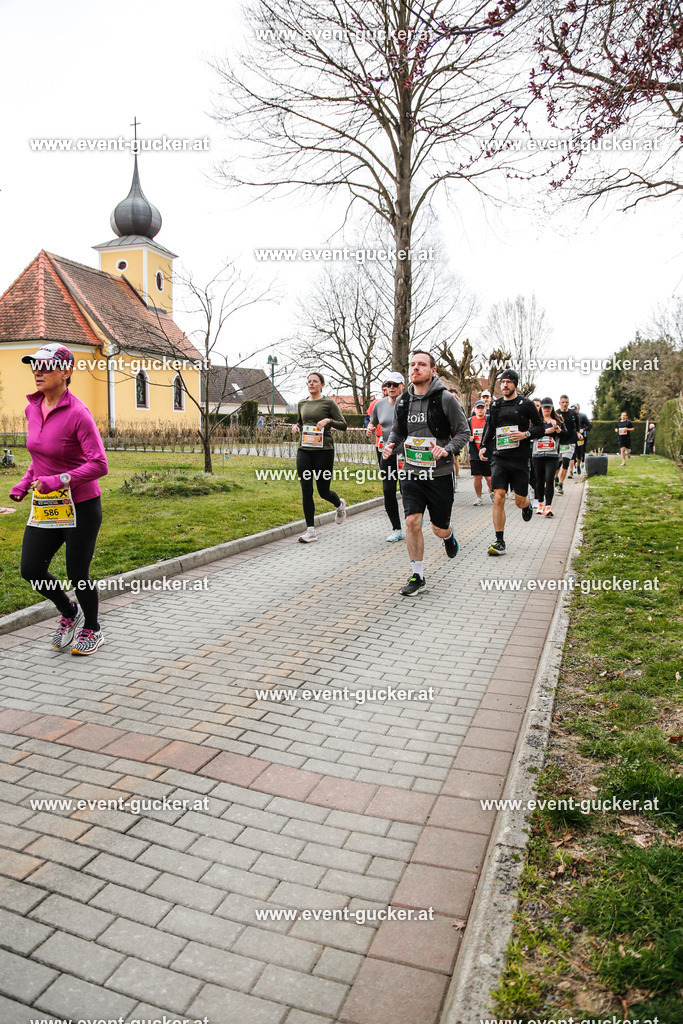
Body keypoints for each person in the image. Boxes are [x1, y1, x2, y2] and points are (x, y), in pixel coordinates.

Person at [9, 344, 109, 655]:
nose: (37, 371)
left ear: (66, 372)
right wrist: (25, 483)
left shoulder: (78, 413)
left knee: (78, 572)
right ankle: (69, 611)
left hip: (81, 506)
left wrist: (58, 480)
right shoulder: (32, 408)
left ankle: (92, 628)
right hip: (48, 507)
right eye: (34, 366)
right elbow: (39, 455)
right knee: (31, 569)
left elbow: (99, 464)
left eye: (46, 366)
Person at [383, 351, 469, 595]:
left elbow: (464, 432)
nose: (415, 368)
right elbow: (398, 432)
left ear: (433, 370)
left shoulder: (446, 399)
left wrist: (448, 449)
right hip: (411, 472)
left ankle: (448, 535)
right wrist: (391, 444)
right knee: (412, 521)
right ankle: (417, 575)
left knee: (438, 528)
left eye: (421, 364)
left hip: (439, 474)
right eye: (412, 364)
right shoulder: (403, 401)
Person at [478, 368, 545, 556]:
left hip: (520, 459)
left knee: (518, 501)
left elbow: (540, 427)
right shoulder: (496, 405)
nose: (505, 385)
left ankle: (527, 505)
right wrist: (484, 446)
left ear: (515, 383)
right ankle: (499, 540)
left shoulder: (526, 404)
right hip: (500, 458)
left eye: (508, 382)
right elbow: (490, 428)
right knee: (498, 495)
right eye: (502, 382)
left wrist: (525, 434)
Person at [292, 372, 348, 543]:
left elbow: (343, 425)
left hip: (324, 450)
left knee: (323, 491)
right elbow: (301, 422)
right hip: (305, 450)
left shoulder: (328, 403)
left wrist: (327, 421)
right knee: (306, 489)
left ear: (322, 384)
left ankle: (339, 505)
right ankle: (310, 531)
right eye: (309, 381)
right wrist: (296, 427)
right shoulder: (302, 403)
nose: (311, 384)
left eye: (315, 381)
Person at [367, 372, 405, 541]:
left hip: (407, 454)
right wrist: (370, 428)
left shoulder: (410, 403)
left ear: (402, 386)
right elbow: (373, 421)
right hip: (387, 453)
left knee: (408, 489)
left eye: (395, 385)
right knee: (388, 490)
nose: (391, 387)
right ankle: (396, 529)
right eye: (388, 384)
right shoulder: (379, 405)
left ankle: (415, 518)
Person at [532, 398, 569, 517]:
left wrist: (557, 429)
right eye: (544, 407)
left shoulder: (558, 420)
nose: (546, 409)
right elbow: (531, 433)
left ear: (552, 408)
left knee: (549, 479)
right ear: (541, 408)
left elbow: (565, 436)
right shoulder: (535, 421)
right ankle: (540, 504)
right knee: (539, 480)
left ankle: (548, 507)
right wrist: (547, 430)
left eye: (548, 407)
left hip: (552, 455)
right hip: (538, 455)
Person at [468, 399, 493, 506]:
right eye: (478, 408)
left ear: (485, 409)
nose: (480, 410)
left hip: (487, 451)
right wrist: (468, 437)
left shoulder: (489, 420)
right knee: (477, 476)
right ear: (475, 409)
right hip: (474, 451)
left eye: (482, 408)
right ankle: (479, 498)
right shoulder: (469, 421)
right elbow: (463, 432)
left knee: (489, 477)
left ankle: (491, 492)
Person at [554, 395, 579, 495]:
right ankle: (555, 477)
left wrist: (579, 433)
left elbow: (577, 426)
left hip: (570, 441)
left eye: (566, 402)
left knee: (566, 462)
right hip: (559, 442)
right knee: (557, 463)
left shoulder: (573, 413)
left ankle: (560, 484)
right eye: (563, 402)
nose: (564, 404)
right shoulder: (556, 413)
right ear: (559, 403)